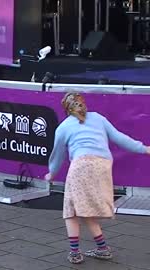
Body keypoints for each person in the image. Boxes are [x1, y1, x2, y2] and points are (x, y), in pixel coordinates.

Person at [45, 92, 150, 264]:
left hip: (81, 165)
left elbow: (58, 155)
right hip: (102, 166)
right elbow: (119, 138)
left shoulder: (63, 127)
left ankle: (75, 252)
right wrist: (144, 148)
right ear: (83, 104)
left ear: (66, 109)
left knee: (71, 209)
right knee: (85, 207)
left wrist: (52, 173)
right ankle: (102, 248)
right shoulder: (98, 118)